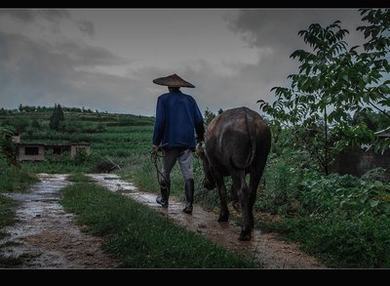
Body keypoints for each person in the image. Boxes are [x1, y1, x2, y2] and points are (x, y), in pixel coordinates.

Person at [152, 73, 204, 214]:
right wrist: (200, 138)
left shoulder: (163, 99)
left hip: (170, 143)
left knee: (165, 172)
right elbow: (199, 121)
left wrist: (155, 143)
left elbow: (160, 122)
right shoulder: (190, 100)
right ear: (180, 86)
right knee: (188, 174)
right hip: (187, 142)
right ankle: (189, 205)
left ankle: (164, 200)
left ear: (168, 86)